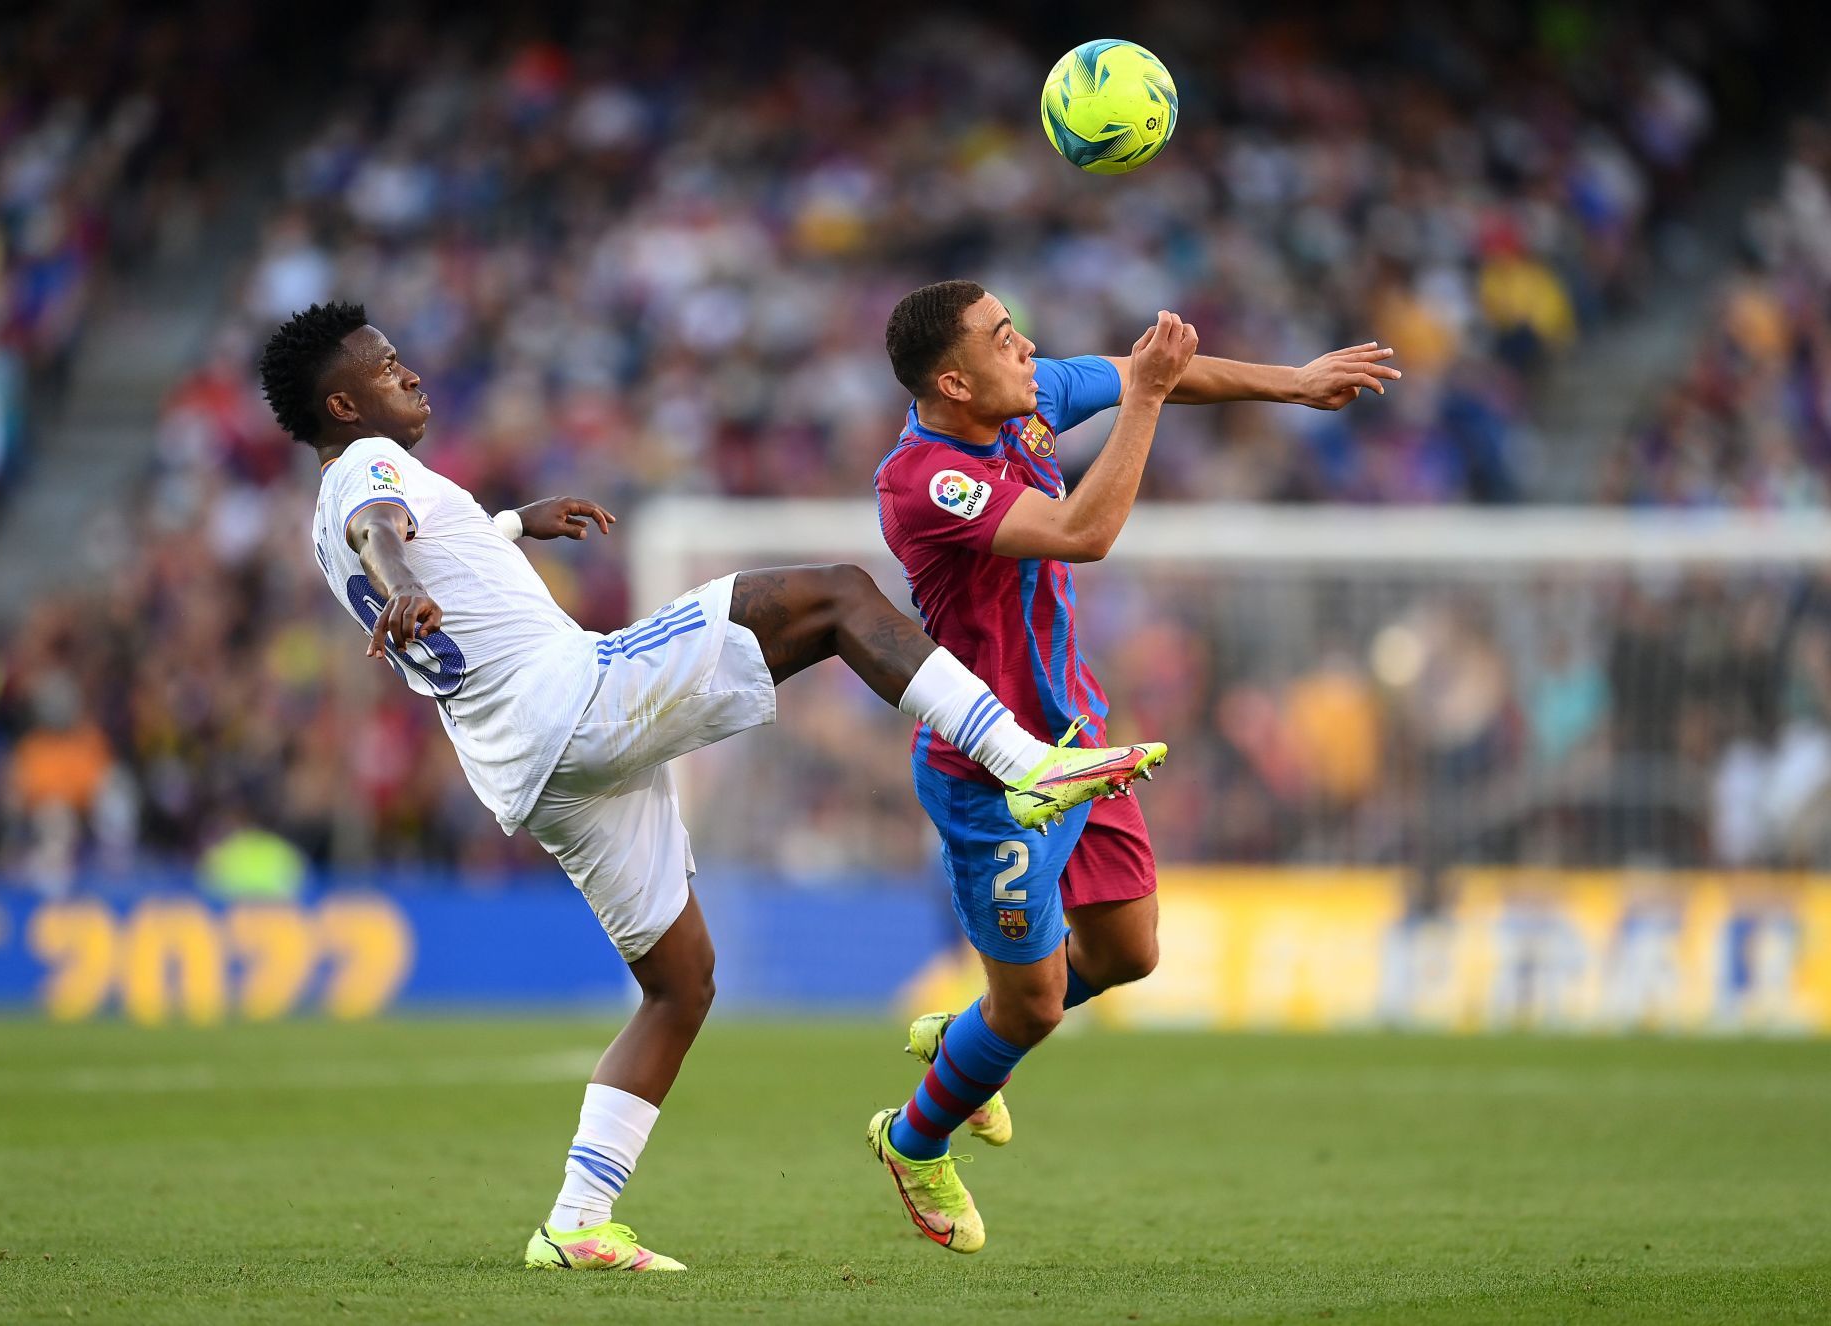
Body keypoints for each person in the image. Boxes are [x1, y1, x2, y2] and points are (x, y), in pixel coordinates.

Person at [256, 301, 1166, 1274]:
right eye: (390, 368)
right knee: (838, 596)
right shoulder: (362, 474)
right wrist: (396, 578)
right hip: (574, 699)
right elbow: (383, 532)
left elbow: (423, 536)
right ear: (343, 403)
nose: (414, 374)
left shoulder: (332, 507)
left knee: (679, 988)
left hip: (528, 767)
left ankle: (576, 1221)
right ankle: (1022, 760)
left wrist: (519, 523)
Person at [866, 281, 1399, 1253]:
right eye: (1001, 338)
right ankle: (914, 1138)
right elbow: (1086, 534)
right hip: (997, 774)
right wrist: (1147, 398)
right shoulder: (924, 480)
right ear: (953, 379)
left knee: (1126, 953)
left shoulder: (1024, 402)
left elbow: (1143, 373)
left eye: (1017, 327)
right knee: (1030, 1010)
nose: (1026, 348)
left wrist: (1294, 384)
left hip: (1077, 741)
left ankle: (970, 1039)